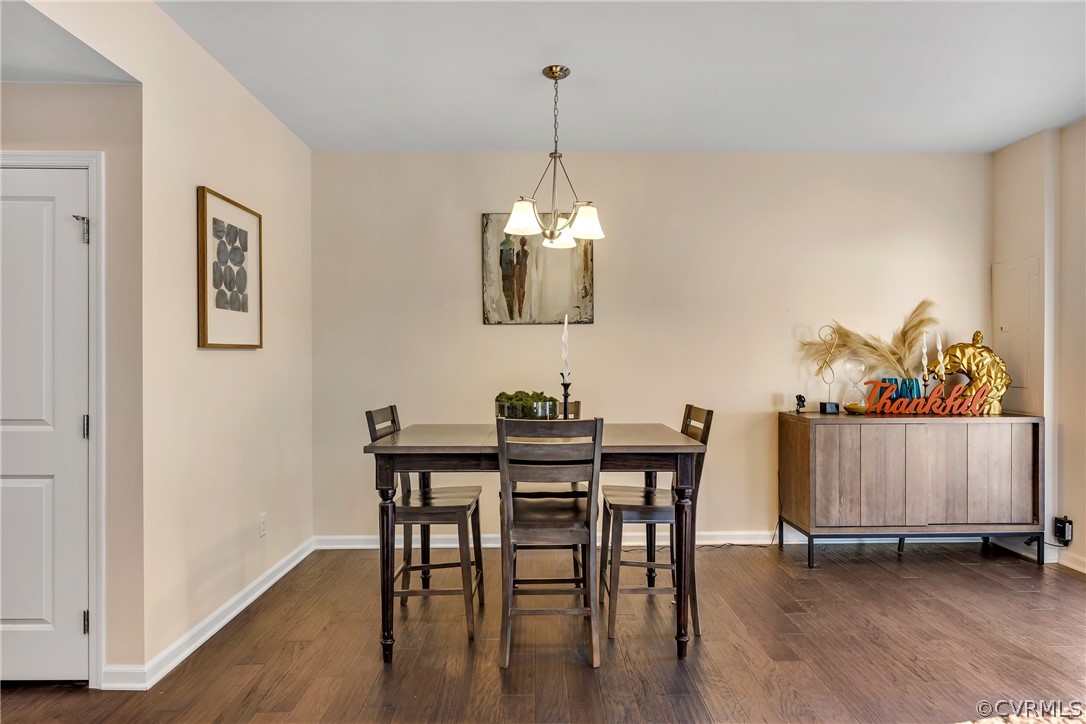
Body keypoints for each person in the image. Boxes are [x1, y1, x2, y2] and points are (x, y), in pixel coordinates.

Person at [514, 236, 529, 320]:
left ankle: (521, 311)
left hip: (523, 273)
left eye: (523, 242)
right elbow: (517, 263)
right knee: (518, 291)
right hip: (518, 274)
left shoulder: (527, 253)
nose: (521, 243)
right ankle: (519, 310)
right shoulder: (517, 253)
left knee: (522, 291)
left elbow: (523, 263)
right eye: (521, 242)